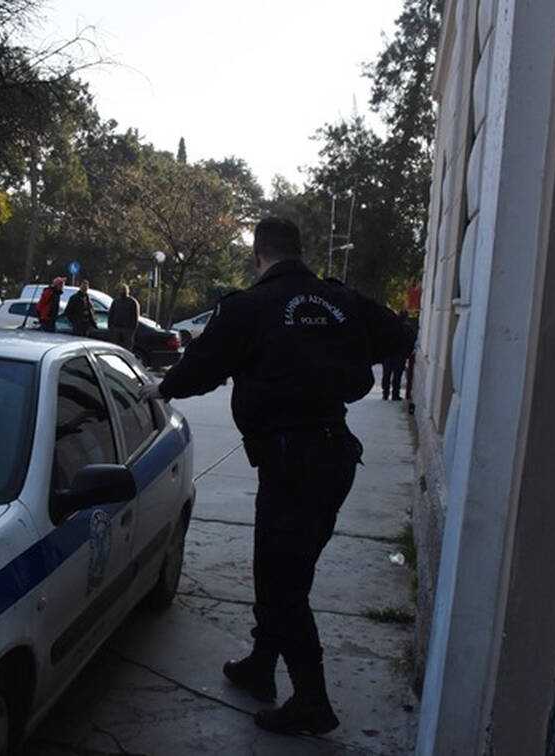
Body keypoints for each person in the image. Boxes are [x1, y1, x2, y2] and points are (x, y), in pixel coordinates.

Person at [140, 217, 414, 736]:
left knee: (282, 583)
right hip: (333, 456)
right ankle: (262, 663)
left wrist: (162, 389)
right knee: (285, 570)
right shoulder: (340, 301)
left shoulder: (251, 306)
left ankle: (312, 700)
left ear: (258, 254)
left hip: (292, 461)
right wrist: (333, 353)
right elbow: (399, 335)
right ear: (299, 250)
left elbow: (202, 367)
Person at [381, 311, 412, 401]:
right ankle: (395, 394)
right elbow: (410, 343)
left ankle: (385, 394)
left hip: (388, 355)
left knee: (386, 374)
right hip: (400, 356)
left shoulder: (389, 327)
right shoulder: (407, 329)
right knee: (397, 376)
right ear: (406, 318)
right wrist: (407, 354)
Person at [109, 283, 141, 351]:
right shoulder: (116, 301)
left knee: (127, 350)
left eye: (124, 289)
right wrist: (111, 327)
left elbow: (135, 317)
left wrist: (131, 330)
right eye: (121, 289)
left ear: (128, 291)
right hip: (116, 329)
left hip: (127, 330)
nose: (122, 291)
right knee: (115, 349)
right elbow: (111, 314)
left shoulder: (132, 302)